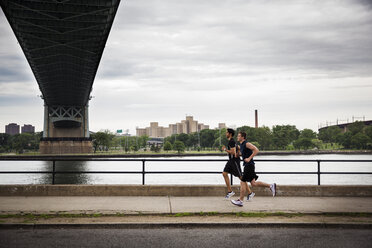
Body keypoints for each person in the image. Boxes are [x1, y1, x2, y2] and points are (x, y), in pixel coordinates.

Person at [231, 131, 277, 207]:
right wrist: (239, 154)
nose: (237, 137)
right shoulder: (241, 145)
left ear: (243, 137)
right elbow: (244, 153)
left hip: (249, 165)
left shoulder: (246, 143)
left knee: (242, 181)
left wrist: (249, 158)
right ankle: (271, 185)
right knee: (253, 183)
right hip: (249, 165)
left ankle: (240, 200)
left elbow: (256, 150)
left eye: (239, 136)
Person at [221, 128, 252, 199]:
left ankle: (250, 193)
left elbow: (233, 152)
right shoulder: (232, 141)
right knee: (224, 173)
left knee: (241, 177)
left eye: (227, 133)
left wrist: (225, 149)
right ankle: (230, 191)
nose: (226, 134)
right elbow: (237, 148)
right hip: (231, 161)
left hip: (234, 161)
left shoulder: (231, 141)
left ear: (230, 134)